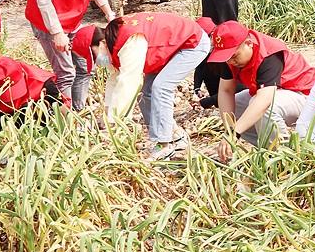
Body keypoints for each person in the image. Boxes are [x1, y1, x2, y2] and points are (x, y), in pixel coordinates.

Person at [72, 13, 212, 160]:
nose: (96, 61)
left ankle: (163, 145)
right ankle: (176, 136)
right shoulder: (112, 44)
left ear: (100, 43)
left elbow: (129, 82)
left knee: (161, 87)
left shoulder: (129, 40)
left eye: (93, 56)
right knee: (146, 93)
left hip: (191, 43)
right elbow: (115, 80)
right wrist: (107, 113)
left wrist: (113, 120)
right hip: (169, 47)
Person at [205, 20, 315, 161]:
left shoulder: (268, 53)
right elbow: (226, 91)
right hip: (279, 94)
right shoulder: (229, 58)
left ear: (248, 43)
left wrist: (235, 133)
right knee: (238, 104)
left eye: (234, 56)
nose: (230, 62)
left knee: (263, 107)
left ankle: (282, 156)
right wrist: (229, 130)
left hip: (305, 96)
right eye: (226, 57)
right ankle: (266, 147)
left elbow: (264, 100)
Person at [0, 57, 61, 134]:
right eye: (6, 95)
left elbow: (61, 110)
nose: (11, 100)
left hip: (28, 115)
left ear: (23, 75)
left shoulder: (42, 82)